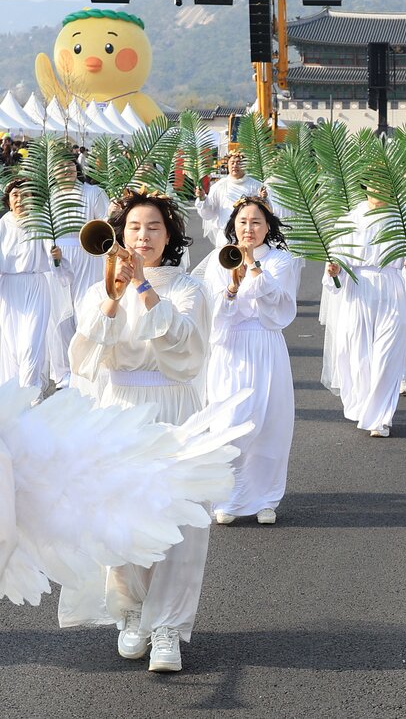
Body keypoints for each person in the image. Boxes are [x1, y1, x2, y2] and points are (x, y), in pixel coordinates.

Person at [60, 190, 210, 673]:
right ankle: (131, 614)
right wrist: (113, 295)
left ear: (170, 237)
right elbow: (85, 356)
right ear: (121, 234)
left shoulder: (188, 288)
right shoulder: (102, 287)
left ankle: (168, 626)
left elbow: (183, 349)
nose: (142, 237)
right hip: (119, 407)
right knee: (121, 517)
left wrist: (144, 288)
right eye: (134, 228)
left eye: (153, 228)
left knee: (177, 522)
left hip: (171, 407)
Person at [197, 197, 298, 525]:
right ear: (233, 225)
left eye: (256, 222)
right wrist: (231, 288)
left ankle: (265, 499)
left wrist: (252, 265)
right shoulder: (217, 258)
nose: (248, 228)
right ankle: (228, 497)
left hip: (266, 344)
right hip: (230, 345)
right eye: (242, 222)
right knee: (230, 423)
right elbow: (213, 308)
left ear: (268, 226)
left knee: (270, 423)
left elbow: (277, 300)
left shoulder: (281, 260)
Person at [323, 196, 406, 438]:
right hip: (358, 287)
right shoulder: (349, 219)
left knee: (388, 354)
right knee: (358, 354)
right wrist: (334, 272)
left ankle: (380, 418)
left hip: (392, 286)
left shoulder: (404, 218)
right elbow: (337, 263)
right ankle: (365, 405)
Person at [48, 157, 111, 389]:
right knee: (60, 315)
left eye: (70, 165)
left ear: (77, 168)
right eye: (60, 166)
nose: (66, 170)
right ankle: (63, 372)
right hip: (56, 256)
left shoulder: (93, 193)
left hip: (87, 255)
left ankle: (87, 368)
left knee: (86, 310)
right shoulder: (49, 196)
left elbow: (106, 223)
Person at [0, 178, 58, 391]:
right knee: (13, 347)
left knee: (30, 345)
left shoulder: (41, 222)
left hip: (35, 287)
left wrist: (57, 257)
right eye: (15, 195)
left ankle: (30, 396)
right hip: (8, 290)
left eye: (26, 195)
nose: (20, 200)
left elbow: (55, 260)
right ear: (8, 200)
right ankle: (15, 394)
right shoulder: (2, 224)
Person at [195, 153, 262, 245]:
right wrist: (202, 199)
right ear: (228, 165)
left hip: (248, 235)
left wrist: (263, 199)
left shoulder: (256, 186)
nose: (235, 165)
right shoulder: (218, 186)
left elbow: (265, 211)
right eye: (232, 163)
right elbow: (208, 214)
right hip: (225, 236)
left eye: (238, 162)